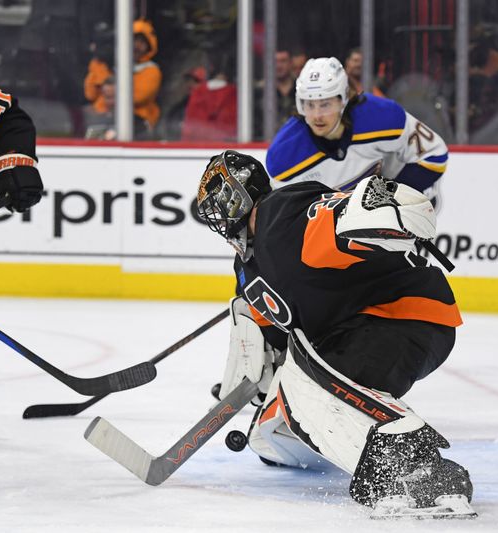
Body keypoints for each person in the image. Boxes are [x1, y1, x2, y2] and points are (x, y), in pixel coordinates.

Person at [195, 150, 476, 519]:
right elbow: (277, 341)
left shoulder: (282, 212)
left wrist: (374, 209)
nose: (215, 211)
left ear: (239, 194)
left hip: (405, 315)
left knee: (307, 378)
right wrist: (259, 392)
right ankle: (391, 470)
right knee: (297, 387)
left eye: (219, 196)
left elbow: (333, 216)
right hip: (361, 332)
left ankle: (424, 467)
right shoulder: (247, 268)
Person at [267, 57, 448, 209]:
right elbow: (285, 220)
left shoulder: (382, 117)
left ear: (344, 99)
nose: (317, 115)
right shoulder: (284, 155)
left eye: (325, 104)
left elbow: (435, 155)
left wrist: (388, 198)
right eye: (309, 104)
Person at [83, 19, 162, 139]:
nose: (137, 46)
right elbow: (90, 94)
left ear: (149, 47)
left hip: (137, 123)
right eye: (134, 40)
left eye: (142, 43)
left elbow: (137, 97)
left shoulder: (151, 70)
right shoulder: (105, 64)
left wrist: (109, 90)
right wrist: (101, 64)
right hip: (102, 119)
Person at [180, 54, 237, 142]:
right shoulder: (236, 94)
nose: (190, 84)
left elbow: (188, 131)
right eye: (188, 80)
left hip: (199, 148)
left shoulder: (197, 94)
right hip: (223, 147)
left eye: (196, 80)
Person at [253, 48, 297, 140]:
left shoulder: (301, 91)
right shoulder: (258, 93)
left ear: (291, 63)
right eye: (275, 61)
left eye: (283, 61)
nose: (279, 65)